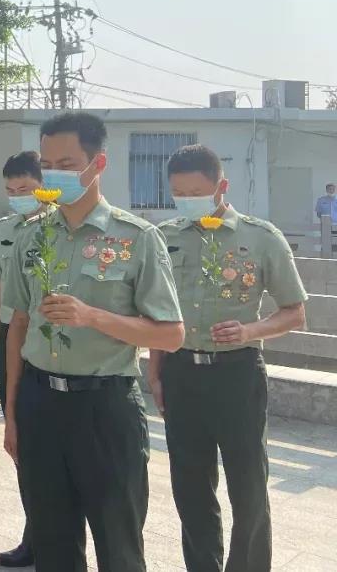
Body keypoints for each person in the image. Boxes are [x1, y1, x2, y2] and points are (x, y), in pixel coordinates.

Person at [0, 111, 184, 572]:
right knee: (53, 545)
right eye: (47, 165)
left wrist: (93, 316)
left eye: (67, 163)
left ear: (97, 163)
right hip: (40, 403)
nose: (54, 175)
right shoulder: (31, 238)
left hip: (105, 408)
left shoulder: (136, 238)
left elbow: (170, 333)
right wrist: (13, 414)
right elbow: (18, 324)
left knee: (119, 545)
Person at [150, 144, 307, 572]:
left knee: (248, 484)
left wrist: (250, 330)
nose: (186, 201)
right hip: (181, 371)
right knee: (190, 485)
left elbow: (295, 312)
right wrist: (156, 373)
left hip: (237, 373)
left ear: (222, 186)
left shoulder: (261, 237)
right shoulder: (165, 237)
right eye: (178, 193)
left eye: (196, 192)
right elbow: (158, 312)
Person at [0, 151, 43, 568]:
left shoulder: (57, 230)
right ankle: (34, 532)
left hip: (46, 337)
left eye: (25, 189)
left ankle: (55, 529)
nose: (18, 196)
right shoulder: (5, 229)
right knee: (18, 438)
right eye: (11, 190)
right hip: (10, 339)